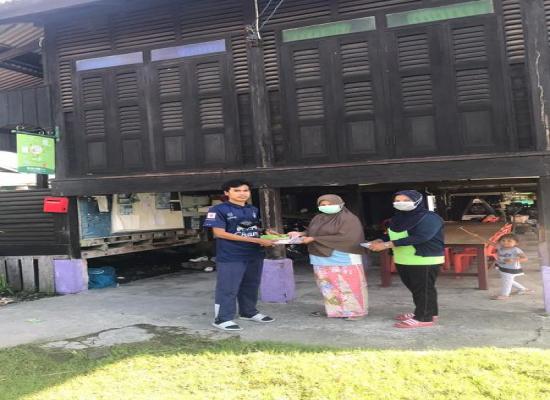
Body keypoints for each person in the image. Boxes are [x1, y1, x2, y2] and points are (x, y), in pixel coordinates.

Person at [203, 179, 276, 331]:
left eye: (245, 190)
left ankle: (248, 312)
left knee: (251, 284)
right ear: (227, 192)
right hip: (231, 255)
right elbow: (219, 233)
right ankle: (222, 318)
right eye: (237, 190)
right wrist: (256, 240)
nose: (242, 193)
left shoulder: (252, 209)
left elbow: (249, 228)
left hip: (253, 254)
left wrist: (264, 232)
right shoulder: (217, 210)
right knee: (228, 287)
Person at [369, 190, 444, 329]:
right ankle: (428, 312)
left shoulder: (430, 218)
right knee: (416, 288)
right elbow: (393, 235)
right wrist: (381, 239)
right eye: (397, 201)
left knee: (423, 289)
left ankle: (424, 318)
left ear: (418, 201)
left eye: (406, 200)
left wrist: (387, 245)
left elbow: (422, 236)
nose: (401, 203)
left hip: (424, 258)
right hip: (403, 258)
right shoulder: (397, 218)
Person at [289, 194, 368, 320]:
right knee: (328, 285)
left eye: (330, 204)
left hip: (344, 256)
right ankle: (335, 311)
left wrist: (314, 238)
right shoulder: (318, 218)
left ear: (340, 204)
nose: (326, 207)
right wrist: (300, 233)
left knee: (349, 285)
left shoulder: (349, 219)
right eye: (323, 205)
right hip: (320, 256)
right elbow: (313, 232)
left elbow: (348, 238)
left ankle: (355, 312)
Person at [490, 233, 533, 300]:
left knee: (507, 281)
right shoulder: (500, 247)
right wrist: (477, 236)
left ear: (516, 243)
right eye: (503, 240)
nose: (505, 242)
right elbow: (490, 243)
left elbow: (525, 258)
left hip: (511, 269)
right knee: (508, 281)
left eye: (509, 241)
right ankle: (524, 289)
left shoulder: (516, 250)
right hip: (503, 268)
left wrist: (513, 260)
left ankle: (505, 295)